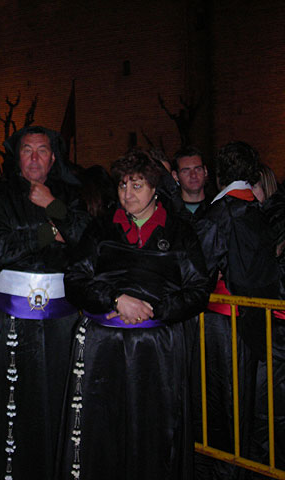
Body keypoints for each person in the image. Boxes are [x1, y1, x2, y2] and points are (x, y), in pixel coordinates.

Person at [60, 149, 210, 480]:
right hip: (103, 348)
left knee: (154, 430)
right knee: (103, 428)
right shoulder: (100, 229)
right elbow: (74, 280)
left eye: (137, 186)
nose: (127, 195)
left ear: (155, 188)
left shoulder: (179, 231)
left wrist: (155, 310)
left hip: (157, 350)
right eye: (123, 186)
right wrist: (115, 300)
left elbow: (198, 290)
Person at [0, 126, 90, 480]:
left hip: (61, 316)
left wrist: (52, 206)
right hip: (13, 316)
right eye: (27, 150)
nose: (34, 158)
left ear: (53, 158)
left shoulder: (69, 195)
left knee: (60, 394)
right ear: (18, 157)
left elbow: (85, 237)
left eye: (42, 151)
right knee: (15, 399)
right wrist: (49, 232)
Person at [196, 141, 285, 478]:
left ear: (219, 174)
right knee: (250, 406)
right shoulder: (258, 207)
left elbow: (199, 269)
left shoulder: (222, 212)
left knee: (225, 408)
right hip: (258, 323)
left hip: (225, 324)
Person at [171, 145, 211, 223]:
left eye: (198, 169)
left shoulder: (218, 208)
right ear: (175, 176)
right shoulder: (168, 212)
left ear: (205, 171)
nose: (193, 175)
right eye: (186, 171)